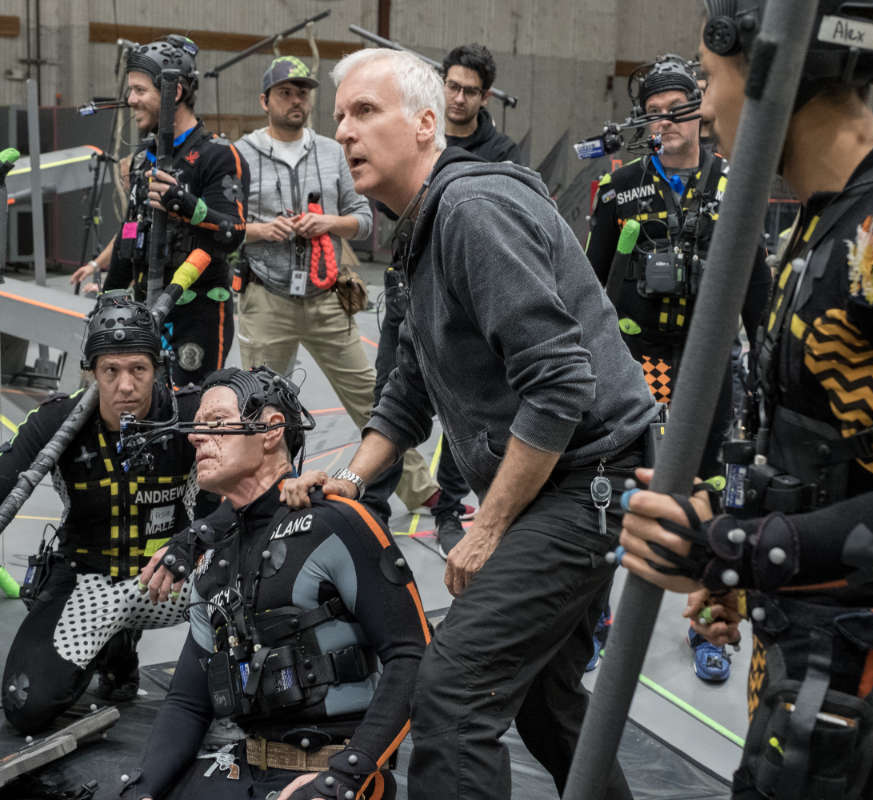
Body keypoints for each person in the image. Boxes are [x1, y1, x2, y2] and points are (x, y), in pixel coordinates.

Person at [617, 1, 873, 797]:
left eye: (709, 79)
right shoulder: (823, 224)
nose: (703, 107)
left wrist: (736, 549)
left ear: (777, 65)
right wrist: (723, 529)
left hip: (864, 656)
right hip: (809, 640)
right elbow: (824, 451)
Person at [305, 47, 658, 798]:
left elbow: (562, 381)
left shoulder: (471, 211)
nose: (344, 132)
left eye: (365, 112)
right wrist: (343, 480)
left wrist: (490, 524)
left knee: (455, 688)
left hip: (584, 478)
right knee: (546, 704)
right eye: (340, 118)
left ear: (429, 123)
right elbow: (409, 388)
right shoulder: (419, 234)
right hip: (557, 476)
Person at [0, 293, 213, 734]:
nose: (126, 387)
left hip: (183, 576)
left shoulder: (191, 413)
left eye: (138, 370)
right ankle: (114, 646)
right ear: (91, 372)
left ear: (158, 369)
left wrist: (196, 540)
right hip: (94, 581)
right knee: (26, 704)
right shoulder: (58, 421)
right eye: (111, 371)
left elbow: (260, 478)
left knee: (234, 681)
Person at [120, 366, 429, 800]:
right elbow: (187, 703)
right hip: (247, 768)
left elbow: (412, 655)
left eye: (215, 423)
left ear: (270, 431)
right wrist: (143, 791)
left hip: (333, 777)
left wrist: (343, 778)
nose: (195, 436)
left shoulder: (337, 523)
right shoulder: (213, 558)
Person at [584, 53, 772, 683]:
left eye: (678, 109)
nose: (666, 122)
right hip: (636, 363)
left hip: (710, 365)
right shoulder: (620, 187)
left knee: (717, 491)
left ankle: (710, 623)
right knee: (613, 485)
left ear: (701, 109)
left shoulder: (736, 186)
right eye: (654, 113)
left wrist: (763, 375)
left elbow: (759, 291)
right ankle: (595, 621)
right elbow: (590, 288)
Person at [234, 55, 438, 523]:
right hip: (267, 297)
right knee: (257, 406)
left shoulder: (334, 150)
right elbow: (228, 226)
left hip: (327, 298)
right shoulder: (241, 155)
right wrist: (265, 231)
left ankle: (424, 492)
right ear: (265, 100)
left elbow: (364, 221)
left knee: (371, 396)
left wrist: (328, 222)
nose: (296, 100)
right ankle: (255, 496)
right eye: (286, 92)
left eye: (303, 92)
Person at [371, 42, 527, 553]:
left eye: (471, 91)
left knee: (469, 411)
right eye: (452, 86)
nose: (459, 98)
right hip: (408, 292)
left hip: (469, 308)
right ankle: (370, 510)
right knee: (391, 399)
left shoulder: (501, 154)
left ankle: (449, 508)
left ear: (485, 97)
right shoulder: (414, 135)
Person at [73, 35, 249, 387]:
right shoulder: (143, 158)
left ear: (175, 93)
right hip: (142, 308)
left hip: (196, 312)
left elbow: (233, 233)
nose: (130, 100)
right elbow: (129, 233)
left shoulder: (218, 155)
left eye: (139, 90)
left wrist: (187, 205)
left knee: (188, 413)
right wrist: (107, 302)